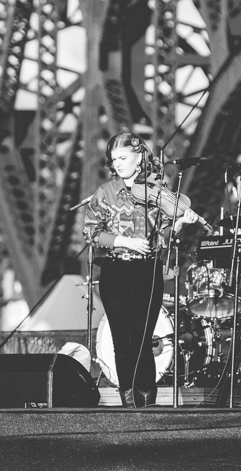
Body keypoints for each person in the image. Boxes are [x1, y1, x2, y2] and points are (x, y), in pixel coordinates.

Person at [83, 132, 200, 407]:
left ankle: (147, 401)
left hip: (146, 271)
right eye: (114, 159)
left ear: (139, 158)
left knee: (142, 339)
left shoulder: (156, 191)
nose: (118, 164)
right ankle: (128, 402)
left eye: (123, 158)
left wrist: (180, 225)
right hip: (114, 271)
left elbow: (162, 238)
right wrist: (125, 241)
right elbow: (91, 232)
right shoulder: (106, 192)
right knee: (121, 342)